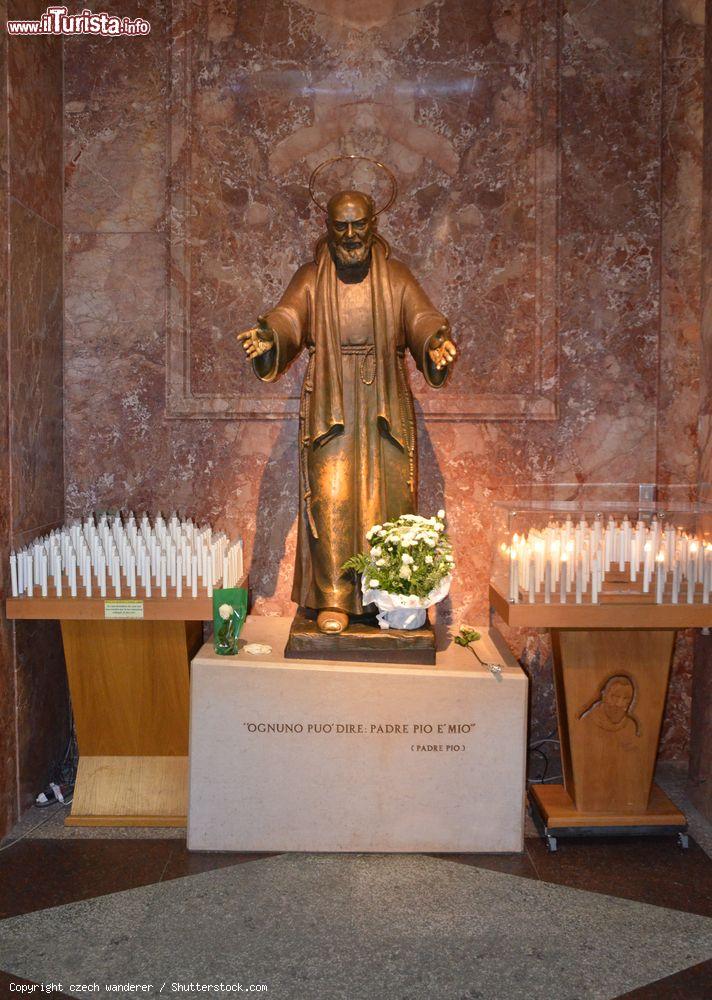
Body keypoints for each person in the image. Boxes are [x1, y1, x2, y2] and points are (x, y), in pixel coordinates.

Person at [238, 188, 456, 634]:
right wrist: (269, 335)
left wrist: (434, 343)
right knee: (330, 497)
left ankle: (389, 597)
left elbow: (421, 319)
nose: (351, 234)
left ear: (375, 224)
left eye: (359, 224)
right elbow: (288, 318)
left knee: (388, 503)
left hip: (384, 404)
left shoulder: (396, 277)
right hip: (331, 402)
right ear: (328, 228)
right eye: (341, 226)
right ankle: (333, 599)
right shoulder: (311, 277)